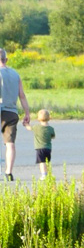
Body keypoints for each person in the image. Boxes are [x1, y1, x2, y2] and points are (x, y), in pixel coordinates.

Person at [0, 48, 31, 181]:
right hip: (11, 111)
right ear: (6, 59)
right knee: (10, 143)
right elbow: (22, 96)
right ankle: (9, 172)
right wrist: (27, 112)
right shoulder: (15, 74)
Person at [24, 109, 55, 180]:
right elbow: (53, 136)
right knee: (47, 161)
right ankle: (48, 174)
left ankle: (44, 174)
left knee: (42, 162)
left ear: (38, 118)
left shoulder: (36, 127)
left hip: (40, 148)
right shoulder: (50, 128)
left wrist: (26, 124)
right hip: (48, 148)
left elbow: (29, 128)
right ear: (49, 118)